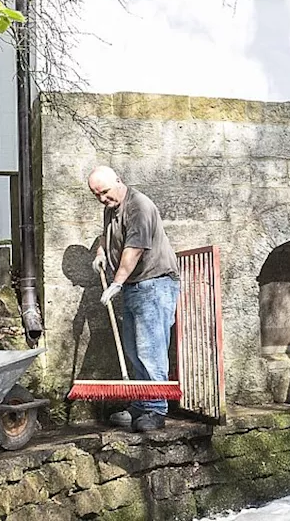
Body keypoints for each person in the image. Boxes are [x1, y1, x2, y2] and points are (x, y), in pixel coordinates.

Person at [88, 166, 179, 433]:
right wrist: (101, 252)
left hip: (154, 283)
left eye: (105, 192)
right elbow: (108, 236)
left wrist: (116, 283)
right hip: (134, 286)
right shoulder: (111, 209)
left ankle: (156, 409)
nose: (103, 199)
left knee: (150, 350)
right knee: (133, 349)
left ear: (119, 181)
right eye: (97, 195)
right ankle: (141, 404)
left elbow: (134, 249)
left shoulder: (139, 206)